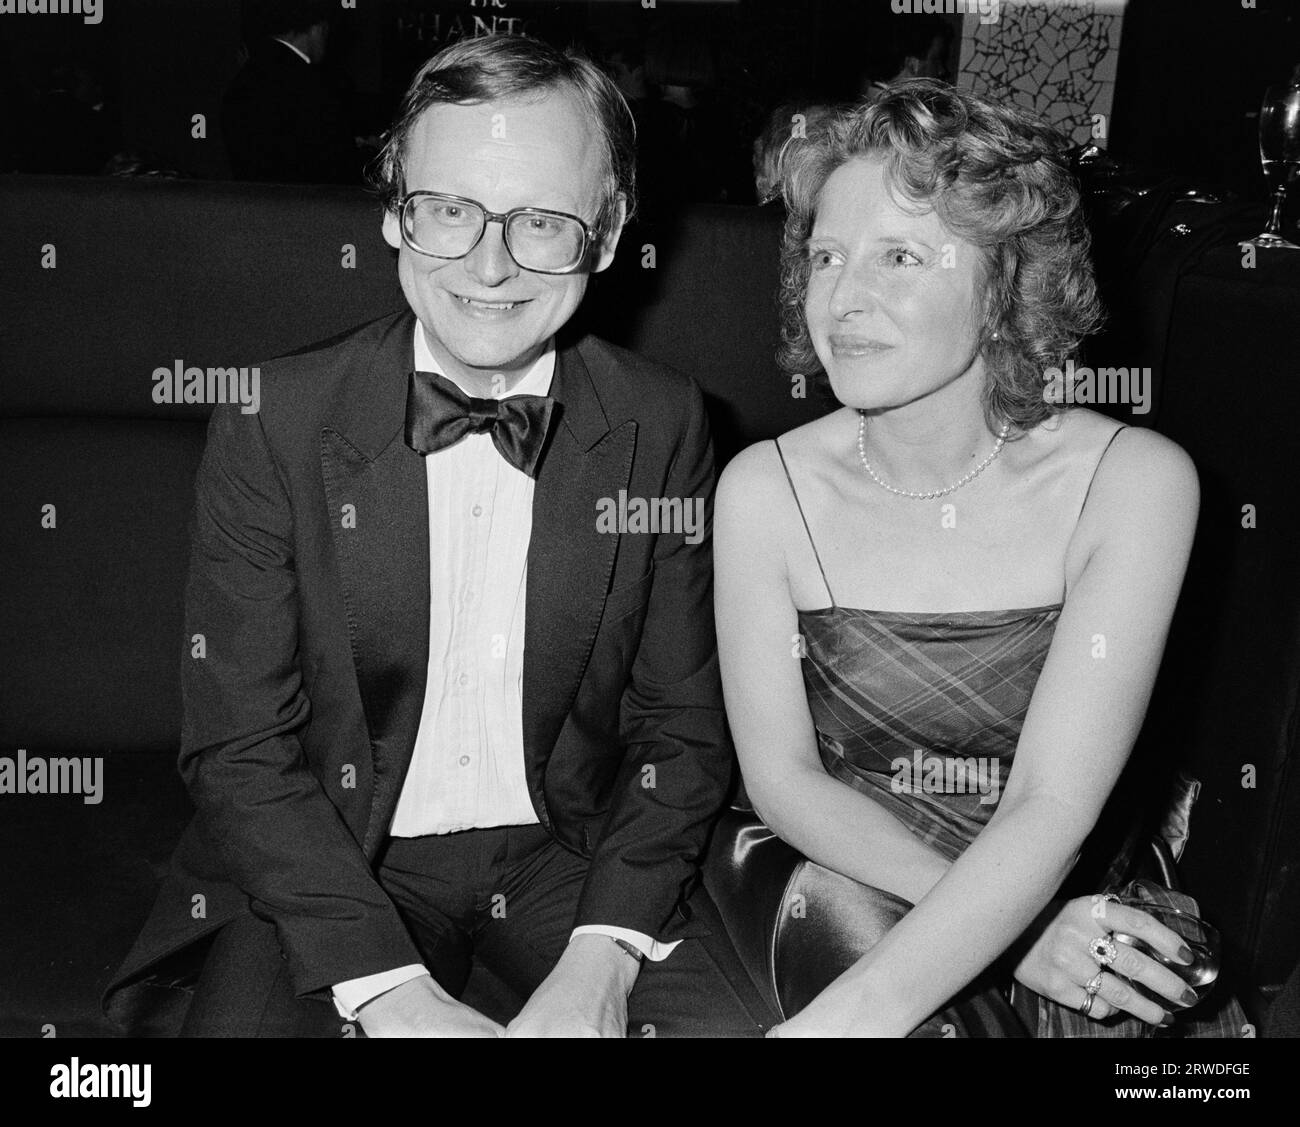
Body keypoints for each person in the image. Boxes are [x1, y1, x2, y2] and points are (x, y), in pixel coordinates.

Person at [105, 34, 773, 1039]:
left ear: (607, 229)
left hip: (568, 854)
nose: (491, 265)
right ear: (392, 214)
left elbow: (678, 731)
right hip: (336, 854)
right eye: (450, 210)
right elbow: (239, 746)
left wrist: (603, 955)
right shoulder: (272, 418)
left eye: (542, 221)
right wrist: (390, 991)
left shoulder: (665, 421)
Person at [712, 79, 1210, 1037]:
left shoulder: (1136, 483)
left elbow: (1051, 801)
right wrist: (1005, 941)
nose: (843, 300)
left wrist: (1022, 919)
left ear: (1004, 286)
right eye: (825, 256)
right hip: (846, 861)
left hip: (1061, 859)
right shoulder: (762, 489)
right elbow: (782, 779)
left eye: (899, 255)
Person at [221, 0, 361, 184]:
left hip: (255, 202)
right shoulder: (312, 84)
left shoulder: (245, 76)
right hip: (307, 203)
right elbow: (334, 162)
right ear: (317, 28)